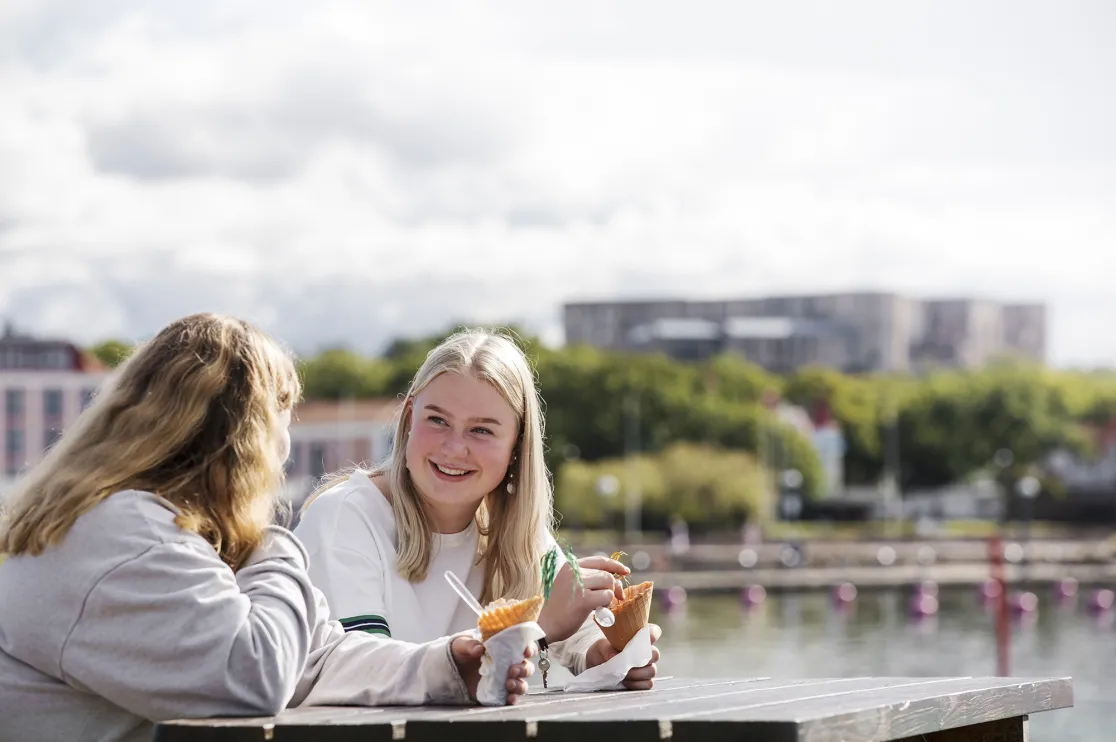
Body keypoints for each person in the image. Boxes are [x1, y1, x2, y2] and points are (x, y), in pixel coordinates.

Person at [0, 314, 532, 742]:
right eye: (283, 420)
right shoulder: (119, 534)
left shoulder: (146, 526)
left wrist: (444, 666)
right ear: (247, 440)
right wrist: (273, 542)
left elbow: (316, 658)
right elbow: (252, 680)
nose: (286, 449)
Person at [295, 328, 661, 687]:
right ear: (409, 420)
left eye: (481, 430)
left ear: (517, 446)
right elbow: (358, 671)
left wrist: (604, 656)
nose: (454, 448)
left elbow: (574, 635)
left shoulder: (515, 529)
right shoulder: (344, 516)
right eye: (437, 420)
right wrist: (534, 629)